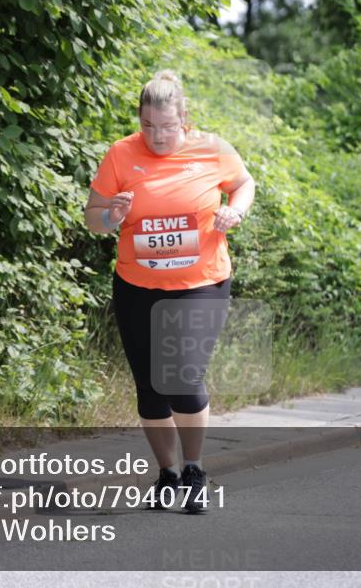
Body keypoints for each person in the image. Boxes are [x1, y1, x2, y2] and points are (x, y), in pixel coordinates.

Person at [84, 69, 255, 512]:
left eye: (167, 126)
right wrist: (113, 216)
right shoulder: (121, 155)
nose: (157, 136)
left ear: (185, 118)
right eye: (148, 126)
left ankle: (195, 468)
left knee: (182, 376)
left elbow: (243, 183)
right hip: (137, 285)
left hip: (200, 282)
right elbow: (94, 218)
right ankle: (168, 474)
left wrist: (235, 211)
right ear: (139, 121)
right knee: (150, 388)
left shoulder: (212, 149)